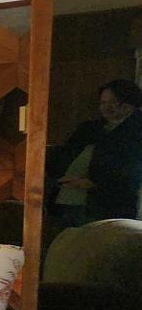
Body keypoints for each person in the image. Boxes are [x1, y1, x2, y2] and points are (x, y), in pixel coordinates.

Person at [50, 78, 142, 224]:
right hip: (72, 197)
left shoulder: (136, 131)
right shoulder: (90, 128)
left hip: (111, 205)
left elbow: (131, 170)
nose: (106, 107)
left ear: (129, 104)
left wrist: (95, 183)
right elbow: (66, 153)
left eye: (113, 102)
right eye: (103, 103)